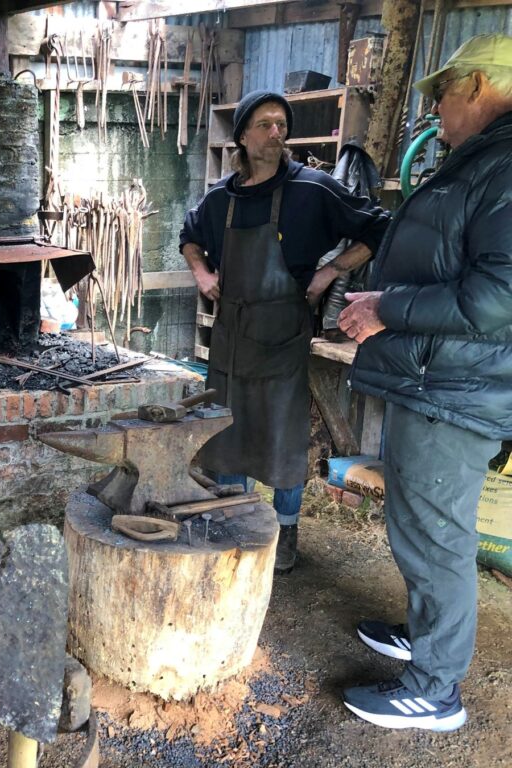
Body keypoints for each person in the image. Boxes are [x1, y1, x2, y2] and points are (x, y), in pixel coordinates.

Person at [338, 33, 512, 731]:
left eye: (441, 93)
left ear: (475, 85)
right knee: (418, 524)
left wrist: (386, 308)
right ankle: (429, 633)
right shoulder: (482, 160)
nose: (435, 107)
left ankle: (435, 690)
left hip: (457, 391)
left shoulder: (505, 165)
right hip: (441, 380)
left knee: (435, 535)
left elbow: (497, 296)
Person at [180, 90, 390, 573]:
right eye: (265, 124)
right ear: (242, 136)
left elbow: (379, 226)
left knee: (282, 436)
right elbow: (188, 237)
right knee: (229, 430)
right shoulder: (220, 198)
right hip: (230, 337)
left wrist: (332, 270)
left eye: (282, 125)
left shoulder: (312, 189)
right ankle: (234, 521)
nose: (276, 133)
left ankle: (285, 528)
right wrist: (202, 274)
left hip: (282, 336)